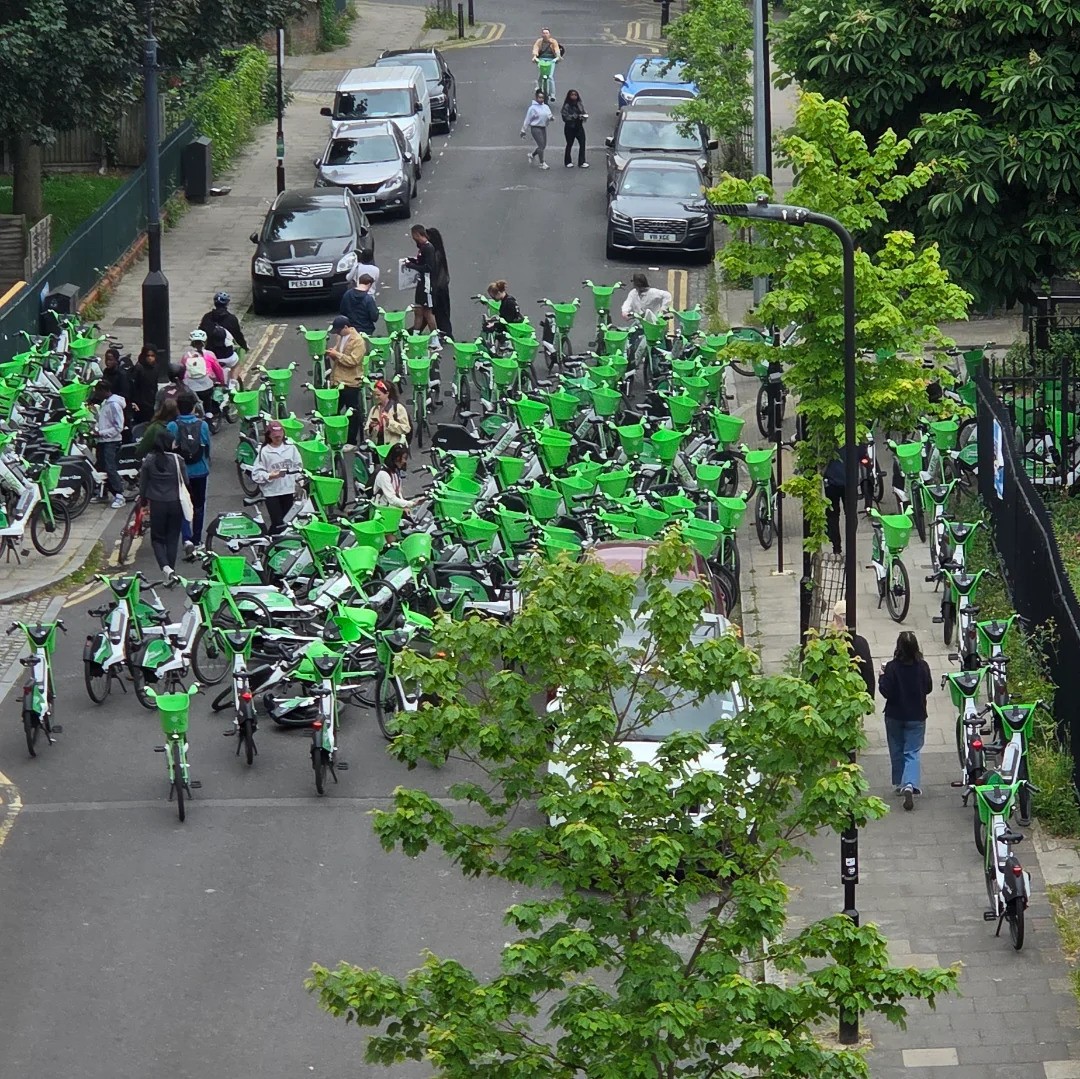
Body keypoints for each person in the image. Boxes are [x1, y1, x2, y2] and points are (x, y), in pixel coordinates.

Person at [878, 631, 933, 811]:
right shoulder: (923, 666)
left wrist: (881, 676)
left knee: (896, 749)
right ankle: (910, 784)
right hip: (916, 715)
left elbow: (886, 691)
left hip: (894, 715)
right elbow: (928, 688)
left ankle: (900, 784)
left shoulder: (892, 668)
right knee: (912, 751)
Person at [138, 431, 189, 579]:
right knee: (172, 538)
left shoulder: (149, 460)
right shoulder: (178, 460)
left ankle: (165, 567)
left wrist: (143, 502)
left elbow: (143, 485)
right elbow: (186, 482)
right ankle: (171, 571)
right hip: (175, 503)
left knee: (157, 539)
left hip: (157, 504)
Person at [167, 392, 211, 558]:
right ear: (194, 407)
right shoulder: (203, 425)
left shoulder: (173, 426)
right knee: (199, 506)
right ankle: (197, 540)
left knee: (183, 505)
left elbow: (169, 449)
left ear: (178, 407)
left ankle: (187, 539)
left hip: (180, 471)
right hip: (200, 470)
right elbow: (207, 447)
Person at [251, 419, 302, 531]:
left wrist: (300, 481)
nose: (278, 438)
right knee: (278, 523)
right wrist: (270, 476)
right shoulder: (264, 451)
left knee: (288, 522)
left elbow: (298, 467)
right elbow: (256, 475)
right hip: (272, 493)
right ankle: (273, 544)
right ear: (269, 436)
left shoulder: (291, 448)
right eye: (275, 436)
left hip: (288, 491)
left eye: (280, 435)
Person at [325, 315, 367, 448]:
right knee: (333, 411)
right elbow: (339, 357)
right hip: (337, 380)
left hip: (351, 382)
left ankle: (351, 440)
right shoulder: (340, 337)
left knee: (352, 412)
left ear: (346, 327)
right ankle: (334, 436)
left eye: (338, 330)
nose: (337, 333)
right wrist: (333, 354)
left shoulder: (358, 341)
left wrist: (336, 355)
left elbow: (354, 361)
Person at [92, 381, 128, 509]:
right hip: (102, 441)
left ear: (103, 390)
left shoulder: (114, 405)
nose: (96, 394)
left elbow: (118, 427)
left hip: (111, 442)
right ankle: (103, 493)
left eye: (97, 391)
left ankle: (119, 495)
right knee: (100, 467)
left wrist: (102, 433)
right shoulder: (105, 403)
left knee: (110, 467)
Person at [830, 600, 875, 700]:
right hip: (855, 698)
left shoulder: (827, 644)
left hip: (832, 698)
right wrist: (870, 697)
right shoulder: (861, 643)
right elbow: (868, 672)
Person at [404, 224, 439, 339]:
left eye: (414, 236)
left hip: (427, 285)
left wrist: (412, 266)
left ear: (418, 234)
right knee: (418, 310)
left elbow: (428, 267)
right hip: (421, 283)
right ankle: (415, 337)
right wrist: (412, 261)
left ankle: (435, 340)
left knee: (428, 312)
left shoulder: (429, 248)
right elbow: (421, 262)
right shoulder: (422, 248)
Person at [372, 442, 420, 509]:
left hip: (392, 509)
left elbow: (398, 493)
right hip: (383, 511)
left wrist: (404, 507)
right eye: (404, 458)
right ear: (397, 458)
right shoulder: (383, 475)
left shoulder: (395, 472)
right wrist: (411, 504)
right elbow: (392, 500)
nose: (405, 461)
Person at [365, 378, 411, 447]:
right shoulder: (374, 409)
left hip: (394, 448)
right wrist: (371, 427)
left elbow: (406, 429)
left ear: (387, 394)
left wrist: (389, 423)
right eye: (374, 395)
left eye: (378, 395)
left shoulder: (398, 408)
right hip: (378, 449)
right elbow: (367, 431)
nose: (376, 397)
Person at [427, 227, 453, 339]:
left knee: (440, 312)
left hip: (438, 288)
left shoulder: (435, 254)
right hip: (442, 287)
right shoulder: (439, 252)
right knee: (442, 312)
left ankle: (446, 334)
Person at [521, 90, 554, 170]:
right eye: (539, 97)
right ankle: (542, 163)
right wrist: (523, 130)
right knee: (541, 145)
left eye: (542, 98)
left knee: (543, 145)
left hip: (543, 127)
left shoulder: (545, 107)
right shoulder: (532, 108)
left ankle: (532, 155)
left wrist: (551, 118)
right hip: (535, 128)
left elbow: (549, 115)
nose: (541, 99)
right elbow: (527, 119)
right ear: (536, 98)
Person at [130, 344, 162, 426]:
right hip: (140, 402)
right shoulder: (139, 368)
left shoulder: (155, 368)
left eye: (152, 356)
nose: (150, 358)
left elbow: (155, 384)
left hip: (151, 400)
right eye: (148, 356)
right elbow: (134, 386)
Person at [561, 90, 589, 168]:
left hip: (579, 126)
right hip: (570, 127)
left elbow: (583, 111)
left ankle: (581, 162)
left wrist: (584, 116)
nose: (574, 96)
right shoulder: (566, 106)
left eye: (575, 95)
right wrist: (575, 116)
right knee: (569, 144)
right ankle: (568, 161)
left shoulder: (579, 104)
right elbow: (565, 117)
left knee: (582, 143)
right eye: (572, 95)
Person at [531, 27, 562, 97]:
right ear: (542, 34)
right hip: (541, 59)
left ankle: (552, 94)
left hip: (551, 60)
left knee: (550, 76)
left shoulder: (553, 42)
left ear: (549, 34)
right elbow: (535, 48)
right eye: (544, 33)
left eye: (546, 33)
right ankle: (539, 88)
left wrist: (557, 57)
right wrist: (535, 56)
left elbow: (557, 49)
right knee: (541, 75)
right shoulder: (539, 41)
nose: (545, 35)